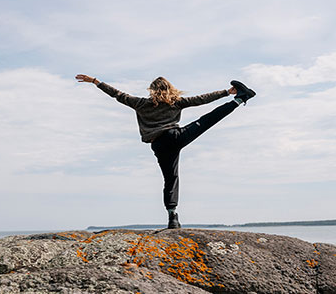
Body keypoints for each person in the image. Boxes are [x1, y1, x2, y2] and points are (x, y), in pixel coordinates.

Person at [75, 74, 256, 229]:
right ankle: (240, 99)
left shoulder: (140, 103)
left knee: (170, 179)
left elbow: (117, 95)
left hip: (158, 144)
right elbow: (202, 99)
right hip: (176, 137)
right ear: (170, 88)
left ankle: (172, 218)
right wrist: (226, 92)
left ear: (152, 90)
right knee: (207, 120)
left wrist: (96, 82)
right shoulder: (176, 102)